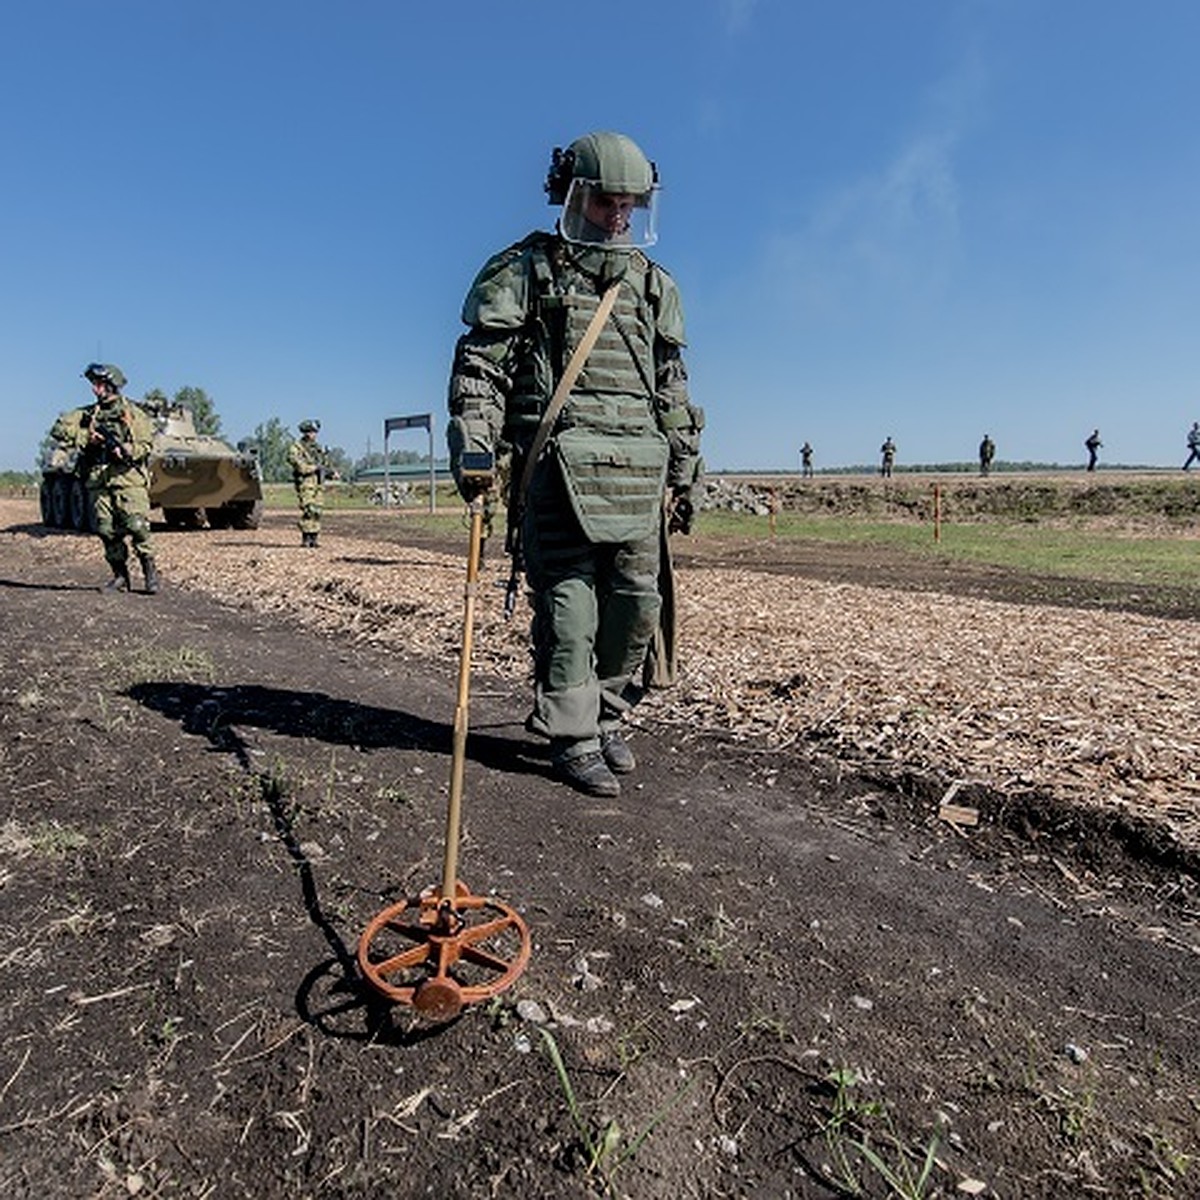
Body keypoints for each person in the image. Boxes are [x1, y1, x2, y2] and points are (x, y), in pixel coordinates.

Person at [447, 131, 704, 798]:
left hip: (638, 475)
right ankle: (572, 734)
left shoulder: (652, 286)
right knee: (568, 609)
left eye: (630, 205)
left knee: (637, 608)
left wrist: (684, 471)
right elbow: (481, 372)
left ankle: (609, 714)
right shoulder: (525, 270)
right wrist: (476, 450)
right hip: (555, 472)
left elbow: (672, 389)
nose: (619, 217)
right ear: (574, 196)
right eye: (608, 204)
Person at [53, 364, 159, 593]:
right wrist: (86, 438)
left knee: (137, 526)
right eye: (93, 384)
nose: (94, 389)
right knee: (106, 530)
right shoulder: (87, 414)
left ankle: (150, 573)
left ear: (112, 385)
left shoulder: (133, 413)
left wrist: (127, 450)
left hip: (127, 479)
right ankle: (120, 577)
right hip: (98, 480)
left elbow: (146, 445)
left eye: (99, 384)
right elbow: (59, 429)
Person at [287, 420, 332, 547]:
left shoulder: (317, 448)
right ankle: (306, 538)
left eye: (314, 432)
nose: (313, 435)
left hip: (319, 482)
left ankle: (314, 538)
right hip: (305, 483)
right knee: (309, 509)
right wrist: (315, 468)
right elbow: (299, 466)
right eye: (311, 432)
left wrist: (330, 472)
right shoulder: (296, 447)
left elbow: (325, 464)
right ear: (305, 432)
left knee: (317, 510)